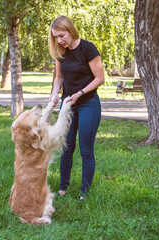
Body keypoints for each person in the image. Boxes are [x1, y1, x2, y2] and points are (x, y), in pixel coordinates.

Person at [48, 16, 104, 200]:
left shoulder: (88, 48)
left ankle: (84, 193)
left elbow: (99, 78)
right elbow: (59, 78)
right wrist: (54, 94)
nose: (59, 40)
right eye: (56, 37)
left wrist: (80, 92)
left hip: (88, 103)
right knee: (66, 147)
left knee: (86, 149)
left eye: (61, 35)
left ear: (70, 30)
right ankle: (63, 188)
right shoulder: (60, 52)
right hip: (67, 106)